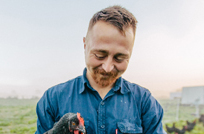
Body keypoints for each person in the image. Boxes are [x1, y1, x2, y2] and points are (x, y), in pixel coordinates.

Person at [35, 5, 165, 134]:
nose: (107, 68)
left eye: (119, 58)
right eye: (100, 55)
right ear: (85, 45)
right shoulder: (52, 100)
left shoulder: (144, 102)